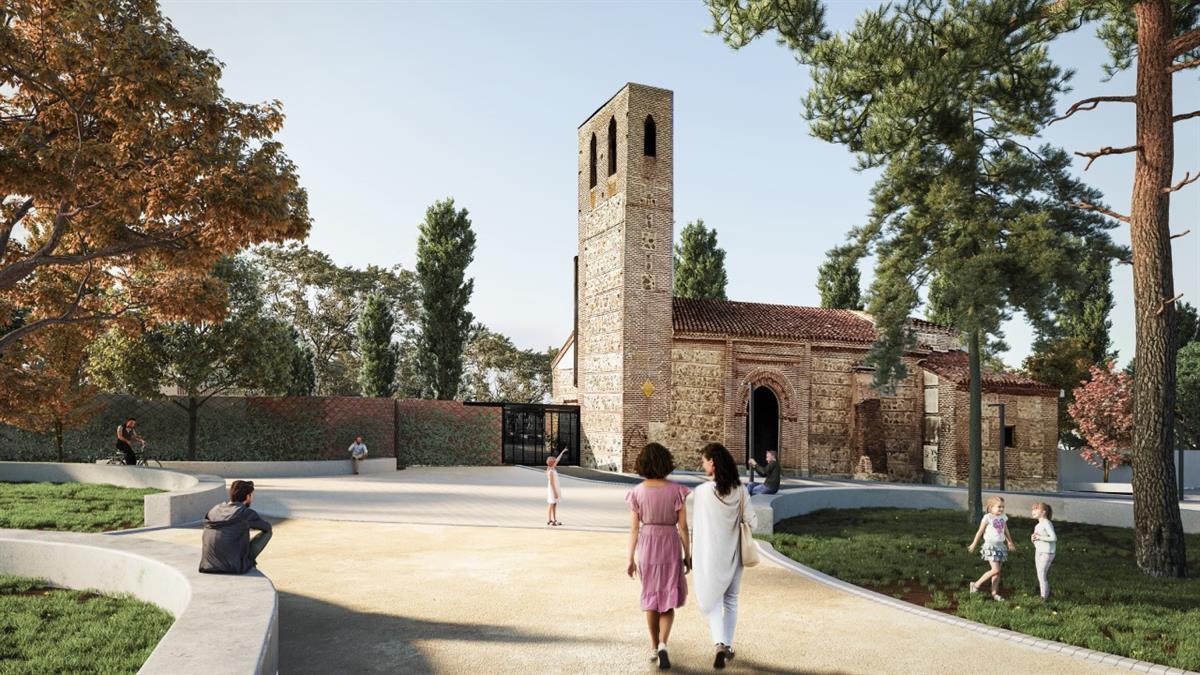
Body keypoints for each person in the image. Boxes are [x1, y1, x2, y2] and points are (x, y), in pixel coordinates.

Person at [626, 442, 692, 671]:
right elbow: (683, 527)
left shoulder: (636, 492)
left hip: (647, 545)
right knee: (667, 600)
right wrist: (688, 554)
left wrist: (629, 558)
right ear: (666, 463)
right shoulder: (677, 491)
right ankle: (664, 643)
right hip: (670, 544)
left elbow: (634, 529)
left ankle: (653, 647)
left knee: (651, 598)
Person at [692, 442, 756, 670]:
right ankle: (727, 645)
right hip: (734, 554)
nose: (702, 464)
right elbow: (753, 522)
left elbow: (697, 527)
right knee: (731, 600)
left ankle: (718, 643)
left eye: (704, 460)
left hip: (711, 554)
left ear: (712, 463)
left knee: (714, 600)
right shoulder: (740, 490)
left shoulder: (701, 492)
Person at [200, 480, 273, 574]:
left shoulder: (214, 509)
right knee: (268, 533)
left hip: (208, 565)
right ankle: (247, 561)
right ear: (248, 496)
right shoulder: (245, 513)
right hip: (234, 567)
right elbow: (267, 527)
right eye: (251, 496)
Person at [967, 495, 1017, 601]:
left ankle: (994, 593)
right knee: (995, 569)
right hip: (990, 546)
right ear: (991, 507)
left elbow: (1006, 531)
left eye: (1003, 507)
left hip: (1000, 546)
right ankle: (976, 585)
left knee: (997, 572)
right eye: (999, 507)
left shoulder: (1003, 517)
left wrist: (1010, 542)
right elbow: (980, 531)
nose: (1001, 509)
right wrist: (974, 544)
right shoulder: (988, 517)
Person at [1030, 502, 1057, 600]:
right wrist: (1033, 539)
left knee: (1041, 574)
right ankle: (1046, 593)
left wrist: (1040, 537)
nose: (1033, 511)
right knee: (1040, 574)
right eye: (1033, 509)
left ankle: (1044, 597)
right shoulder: (1038, 525)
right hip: (1039, 551)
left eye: (1036, 509)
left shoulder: (1046, 523)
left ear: (1043, 512)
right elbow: (1038, 540)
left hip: (1047, 552)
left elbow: (1053, 538)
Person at [546, 455, 562, 526]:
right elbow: (552, 483)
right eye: (554, 461)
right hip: (553, 489)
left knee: (554, 504)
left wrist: (563, 451)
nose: (556, 461)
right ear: (551, 462)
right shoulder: (550, 471)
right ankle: (549, 520)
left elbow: (558, 459)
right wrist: (555, 492)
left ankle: (554, 519)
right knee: (551, 503)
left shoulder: (552, 468)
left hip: (555, 487)